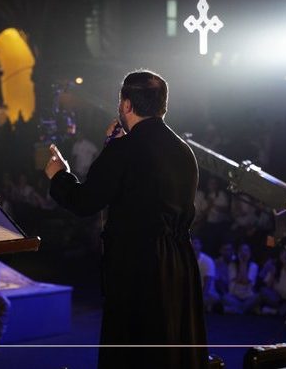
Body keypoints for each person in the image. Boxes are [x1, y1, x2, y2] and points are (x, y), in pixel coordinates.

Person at [44, 70, 207, 369]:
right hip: (179, 262)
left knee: (136, 350)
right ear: (162, 106)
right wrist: (114, 147)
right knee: (173, 342)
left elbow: (85, 201)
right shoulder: (184, 151)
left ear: (127, 105)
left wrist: (59, 176)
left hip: (139, 265)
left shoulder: (124, 150)